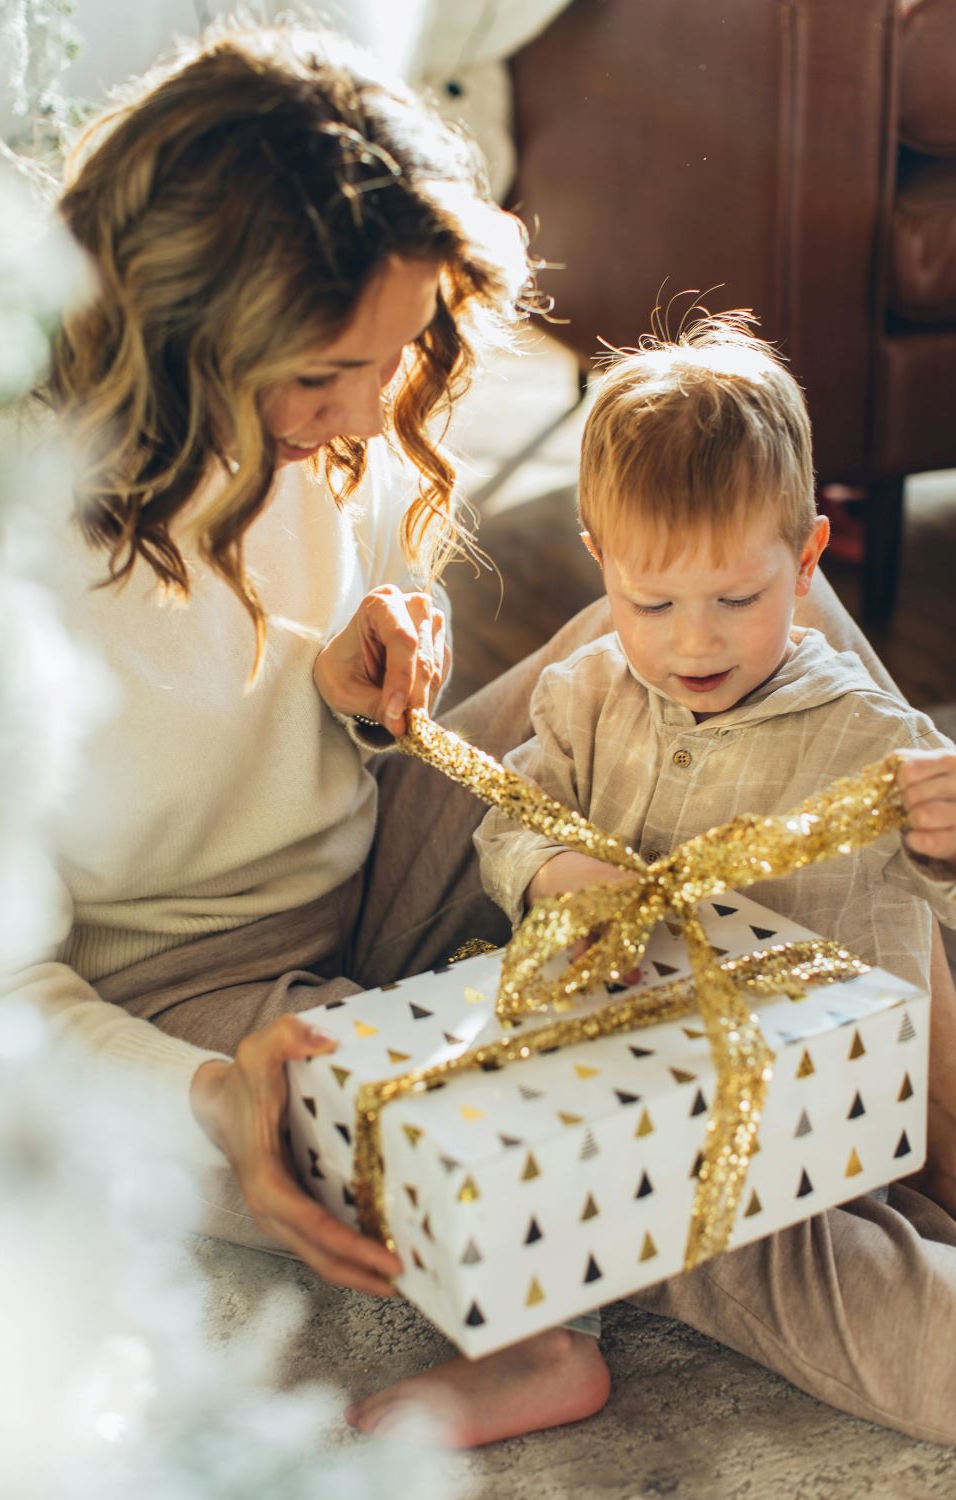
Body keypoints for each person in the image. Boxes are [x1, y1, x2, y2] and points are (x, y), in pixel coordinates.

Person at [17, 20, 956, 1449]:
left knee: (741, 610)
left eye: (386, 363)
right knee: (681, 1167)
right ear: (176, 325)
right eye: (325, 375)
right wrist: (207, 1102)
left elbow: (302, 677)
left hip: (394, 847)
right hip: (196, 1001)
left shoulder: (335, 411)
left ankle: (930, 1081)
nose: (366, 414)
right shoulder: (2, 556)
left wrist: (364, 692)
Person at [346, 317, 956, 1447]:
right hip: (608, 1085)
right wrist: (552, 870)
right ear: (598, 562)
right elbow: (507, 821)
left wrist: (944, 844)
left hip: (797, 1134)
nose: (691, 643)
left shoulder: (876, 737)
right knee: (449, 1151)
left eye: (736, 599)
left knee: (888, 1325)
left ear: (808, 559)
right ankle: (540, 1349)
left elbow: (939, 922)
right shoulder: (583, 694)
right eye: (651, 602)